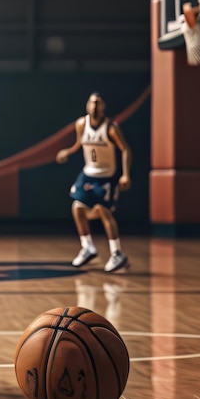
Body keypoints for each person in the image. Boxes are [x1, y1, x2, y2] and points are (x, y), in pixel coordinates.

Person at [56, 92, 132, 272]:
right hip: (88, 173)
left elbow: (125, 150)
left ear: (103, 106)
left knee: (104, 211)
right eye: (92, 102)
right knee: (77, 207)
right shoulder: (81, 124)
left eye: (98, 102)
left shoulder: (110, 128)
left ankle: (116, 253)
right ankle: (88, 247)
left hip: (106, 175)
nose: (95, 105)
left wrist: (125, 174)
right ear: (87, 106)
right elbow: (79, 143)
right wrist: (68, 151)